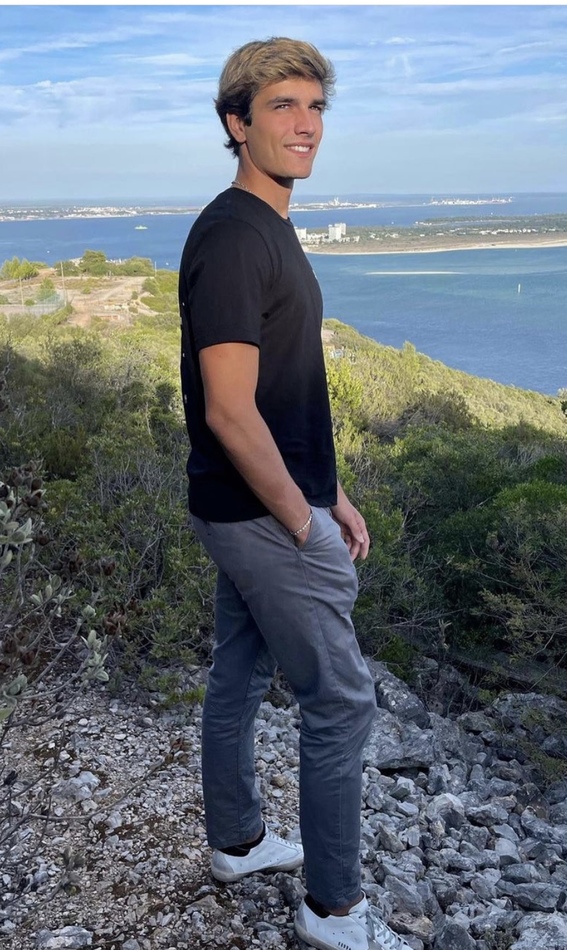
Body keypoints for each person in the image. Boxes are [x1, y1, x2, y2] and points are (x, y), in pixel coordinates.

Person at [179, 36, 412, 950]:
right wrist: (300, 520)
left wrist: (332, 490)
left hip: (256, 503)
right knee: (341, 702)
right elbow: (230, 409)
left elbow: (287, 389)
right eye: (282, 106)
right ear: (236, 123)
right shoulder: (237, 235)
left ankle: (237, 843)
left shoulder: (266, 225)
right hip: (261, 514)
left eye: (315, 107)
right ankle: (333, 909)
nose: (305, 124)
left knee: (238, 674)